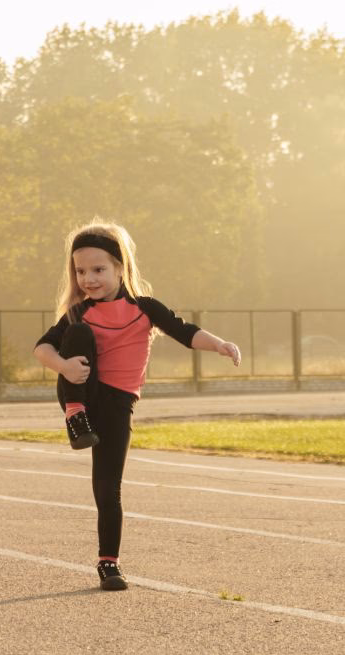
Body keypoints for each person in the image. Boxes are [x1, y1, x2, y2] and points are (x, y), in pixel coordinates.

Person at [33, 220, 242, 591]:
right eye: (81, 272)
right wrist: (64, 366)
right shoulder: (80, 313)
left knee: (107, 487)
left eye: (98, 270)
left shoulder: (144, 308)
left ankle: (108, 564)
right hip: (83, 392)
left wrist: (221, 344)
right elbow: (43, 349)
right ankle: (75, 417)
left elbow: (184, 330)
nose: (89, 279)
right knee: (77, 333)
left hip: (118, 405)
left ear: (120, 267)